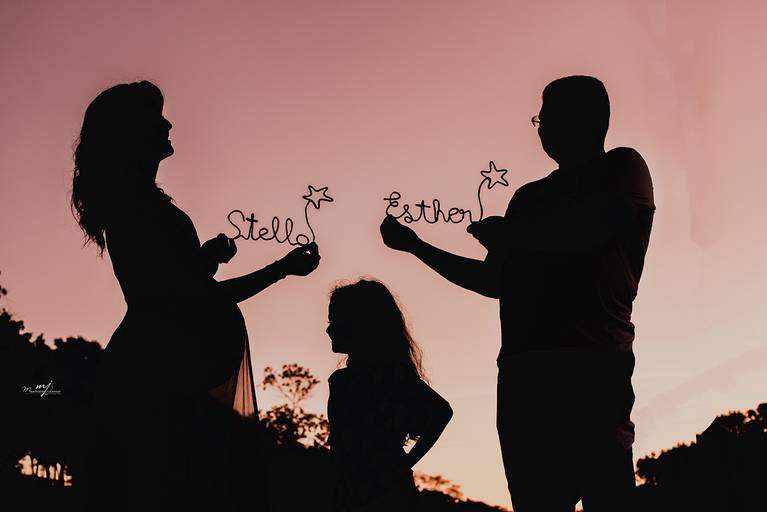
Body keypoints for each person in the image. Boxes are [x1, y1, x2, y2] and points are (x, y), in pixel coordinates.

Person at [380, 75, 655, 511]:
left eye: (548, 118)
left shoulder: (622, 168)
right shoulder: (528, 197)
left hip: (593, 368)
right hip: (524, 376)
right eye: (540, 120)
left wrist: (512, 236)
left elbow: (588, 231)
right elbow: (494, 282)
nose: (542, 129)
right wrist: (416, 247)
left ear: (588, 120)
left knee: (606, 494)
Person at [71, 80, 321, 511]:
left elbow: (172, 284)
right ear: (131, 134)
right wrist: (280, 269)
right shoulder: (139, 208)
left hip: (163, 368)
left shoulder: (140, 205)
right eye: (155, 118)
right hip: (159, 377)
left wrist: (205, 259)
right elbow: (185, 299)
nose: (167, 125)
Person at [325, 279, 453, 511]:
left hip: (380, 492)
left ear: (362, 326)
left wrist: (405, 463)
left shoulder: (387, 375)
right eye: (330, 322)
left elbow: (442, 412)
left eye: (336, 322)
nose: (329, 329)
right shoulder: (346, 380)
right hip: (357, 489)